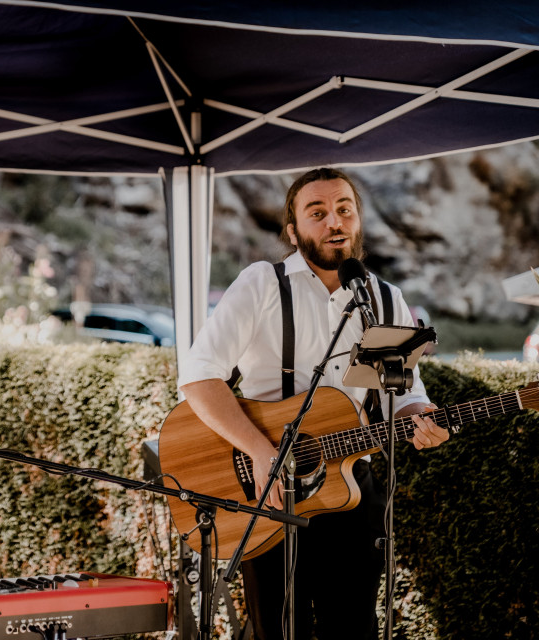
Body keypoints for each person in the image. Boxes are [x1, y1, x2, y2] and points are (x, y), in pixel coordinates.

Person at [178, 168, 450, 640]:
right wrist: (262, 453)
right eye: (317, 212)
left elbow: (401, 396)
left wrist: (418, 419)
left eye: (344, 209)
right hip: (267, 489)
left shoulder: (385, 299)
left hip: (351, 490)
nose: (334, 222)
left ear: (358, 221)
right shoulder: (263, 284)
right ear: (293, 230)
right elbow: (199, 377)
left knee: (355, 629)